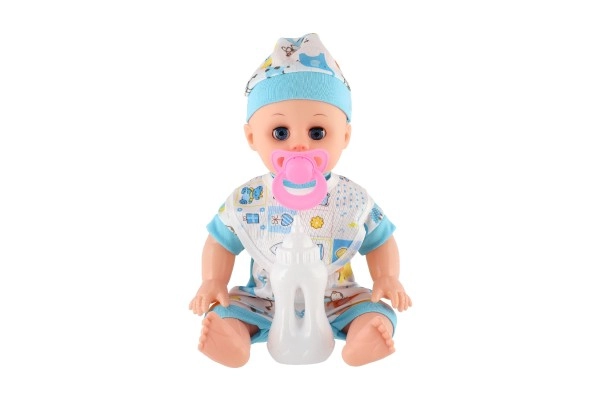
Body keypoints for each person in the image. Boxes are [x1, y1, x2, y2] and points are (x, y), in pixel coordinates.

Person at [189, 33, 412, 367]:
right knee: (229, 309)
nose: (299, 146)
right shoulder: (251, 198)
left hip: (338, 297)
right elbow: (221, 240)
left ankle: (364, 336)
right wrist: (213, 281)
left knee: (374, 309)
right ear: (252, 137)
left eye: (317, 133)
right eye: (280, 133)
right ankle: (231, 337)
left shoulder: (351, 198)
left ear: (345, 135)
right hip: (263, 299)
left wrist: (386, 277)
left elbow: (380, 239)